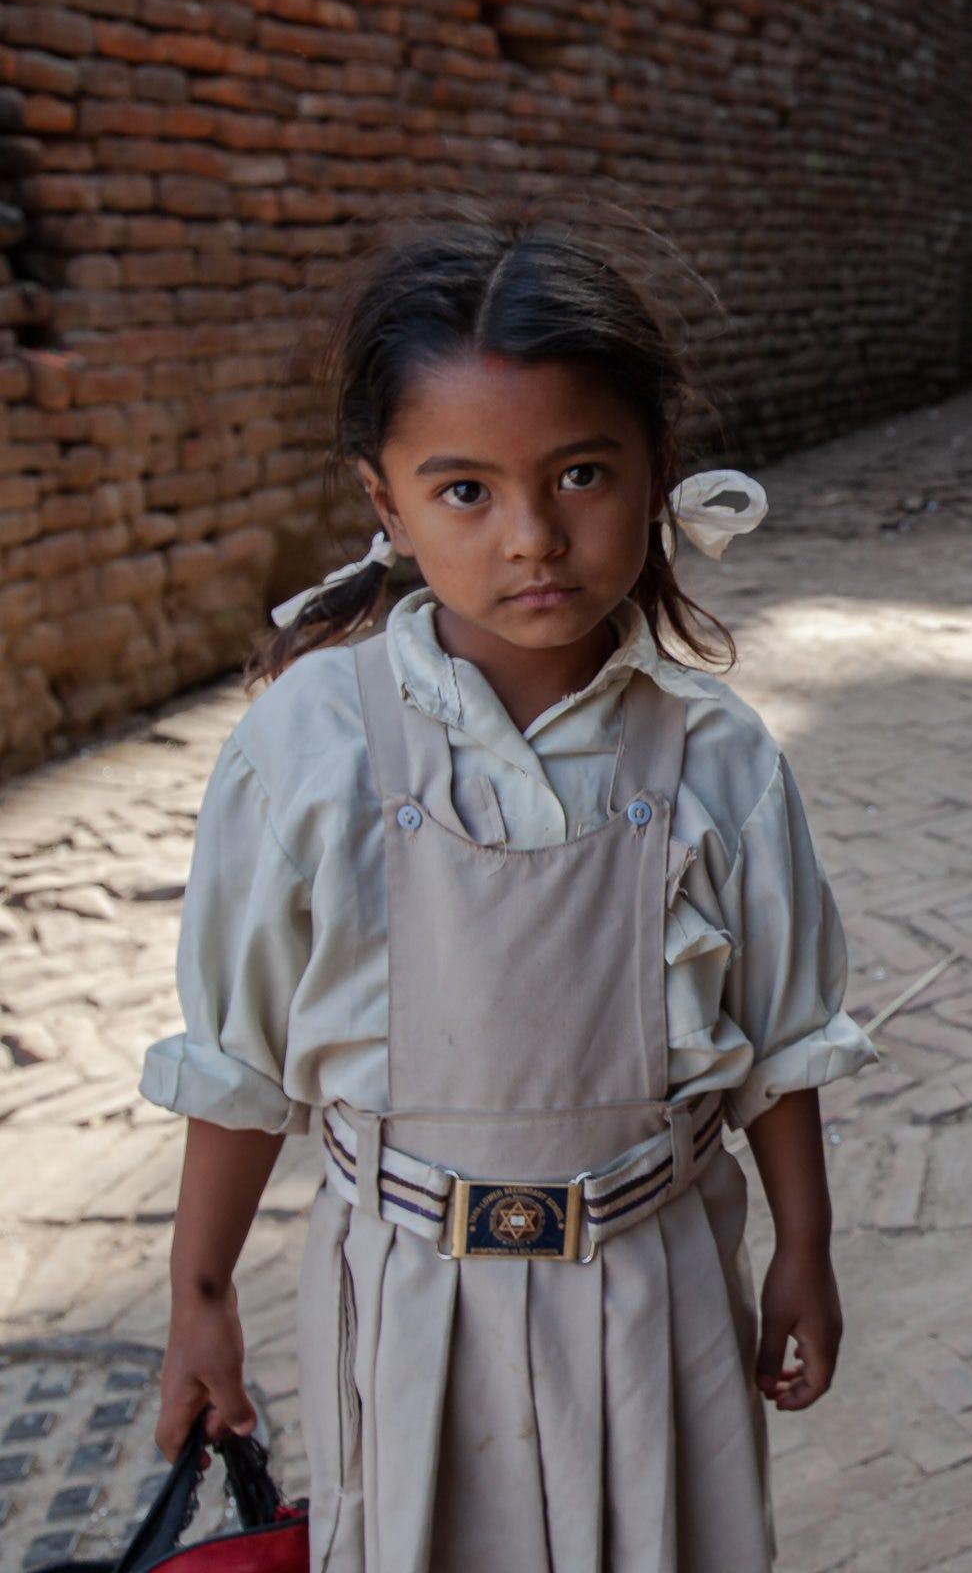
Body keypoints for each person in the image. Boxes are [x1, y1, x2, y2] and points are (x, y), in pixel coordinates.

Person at [142, 214, 876, 1572]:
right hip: (412, 1290)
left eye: (582, 473)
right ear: (386, 502)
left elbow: (780, 1040)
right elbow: (240, 1057)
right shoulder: (312, 745)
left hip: (659, 1282)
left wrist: (804, 1247)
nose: (533, 536)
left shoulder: (713, 756)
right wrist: (199, 1296)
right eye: (465, 490)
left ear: (654, 470)